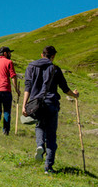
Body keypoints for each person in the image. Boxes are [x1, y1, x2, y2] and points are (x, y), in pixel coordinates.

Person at [22, 46, 79, 174]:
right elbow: (65, 88)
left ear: (42, 54)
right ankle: (48, 167)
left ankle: (40, 145)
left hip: (36, 104)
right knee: (52, 136)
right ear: (53, 56)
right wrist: (74, 95)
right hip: (51, 103)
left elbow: (27, 87)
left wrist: (24, 105)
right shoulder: (55, 69)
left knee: (40, 126)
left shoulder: (31, 67)